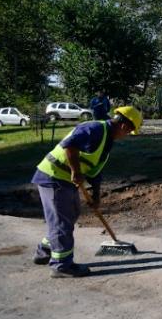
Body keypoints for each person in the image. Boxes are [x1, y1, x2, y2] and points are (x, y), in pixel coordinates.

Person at [32, 106, 142, 278]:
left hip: (66, 180)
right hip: (53, 176)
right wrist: (76, 171)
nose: (126, 135)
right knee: (62, 222)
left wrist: (96, 197)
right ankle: (61, 265)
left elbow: (94, 173)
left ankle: (44, 250)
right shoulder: (95, 128)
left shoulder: (107, 141)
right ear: (124, 126)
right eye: (129, 132)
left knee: (71, 215)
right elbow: (70, 145)